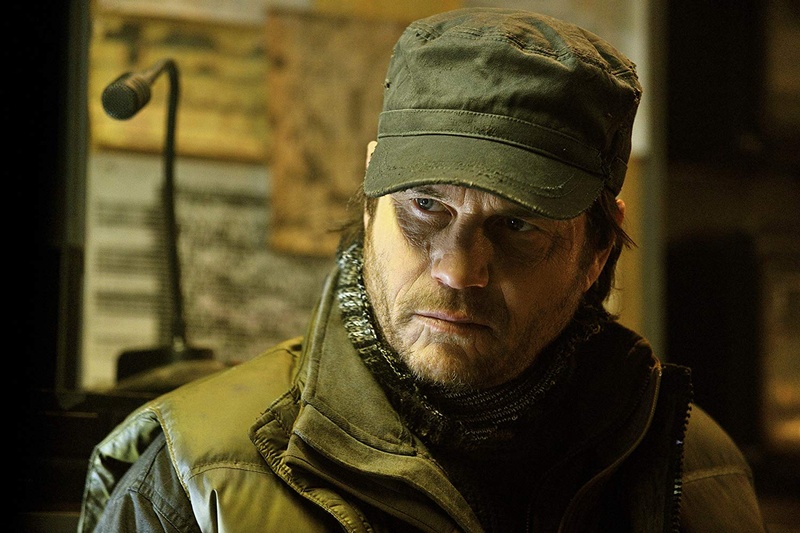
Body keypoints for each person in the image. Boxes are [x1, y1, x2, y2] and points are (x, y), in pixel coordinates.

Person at [78, 8, 766, 532]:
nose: (460, 270)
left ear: (597, 251)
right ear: (370, 201)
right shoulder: (195, 484)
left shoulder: (698, 470)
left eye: (519, 225)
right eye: (426, 206)